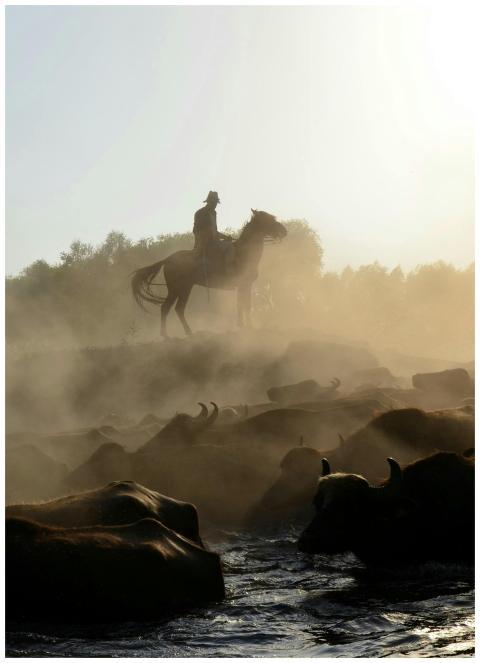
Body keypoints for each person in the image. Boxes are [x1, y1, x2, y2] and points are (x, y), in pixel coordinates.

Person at [193, 191, 234, 277]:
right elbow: (200, 231)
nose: (215, 205)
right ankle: (230, 273)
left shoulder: (213, 213)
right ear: (209, 202)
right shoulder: (201, 213)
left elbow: (214, 231)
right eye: (214, 202)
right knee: (230, 246)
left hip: (213, 241)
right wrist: (223, 238)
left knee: (230, 244)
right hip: (205, 243)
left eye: (216, 203)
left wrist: (225, 237)